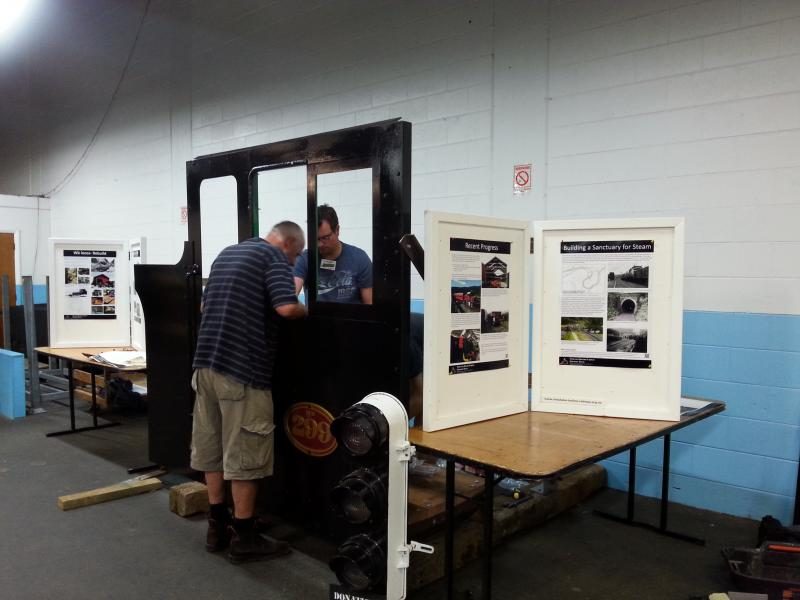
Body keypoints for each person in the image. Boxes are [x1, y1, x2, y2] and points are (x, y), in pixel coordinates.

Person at [190, 221, 307, 564]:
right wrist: (307, 310)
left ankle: (217, 525)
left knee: (211, 448)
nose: (292, 263)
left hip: (205, 366)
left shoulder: (227, 253)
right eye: (295, 256)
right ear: (287, 244)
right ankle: (244, 536)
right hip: (242, 372)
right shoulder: (272, 257)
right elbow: (286, 308)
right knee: (245, 455)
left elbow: (203, 307)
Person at [294, 204, 372, 304]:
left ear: (337, 230)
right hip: (317, 318)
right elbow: (290, 296)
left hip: (351, 318)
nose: (319, 244)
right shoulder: (306, 259)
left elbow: (369, 304)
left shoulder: (360, 259)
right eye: (316, 238)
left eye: (325, 238)